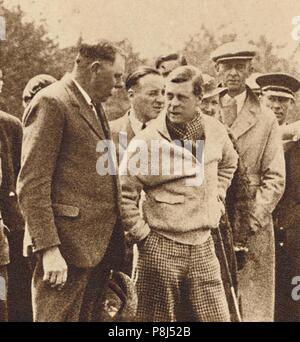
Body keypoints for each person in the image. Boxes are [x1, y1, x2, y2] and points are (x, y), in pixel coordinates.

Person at [17, 39, 126, 322]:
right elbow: (31, 185)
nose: (119, 86)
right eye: (116, 76)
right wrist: (49, 249)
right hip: (64, 253)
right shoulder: (52, 102)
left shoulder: (92, 105)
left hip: (94, 251)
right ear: (94, 68)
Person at [120, 65, 238, 322]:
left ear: (199, 99)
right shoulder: (146, 141)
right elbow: (124, 194)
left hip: (204, 244)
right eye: (168, 95)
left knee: (216, 317)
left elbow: (230, 163)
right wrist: (144, 236)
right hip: (160, 244)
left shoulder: (216, 131)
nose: (171, 103)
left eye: (181, 97)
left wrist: (217, 195)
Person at [211, 41, 285, 321]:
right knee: (212, 297)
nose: (232, 73)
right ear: (216, 69)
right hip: (211, 214)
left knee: (253, 302)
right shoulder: (204, 110)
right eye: (226, 66)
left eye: (239, 67)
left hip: (252, 218)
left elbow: (275, 177)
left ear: (249, 69)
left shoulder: (266, 118)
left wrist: (252, 218)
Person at [256, 72, 300, 321]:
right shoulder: (249, 139)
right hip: (258, 232)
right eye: (271, 99)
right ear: (261, 99)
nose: (276, 106)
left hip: (293, 238)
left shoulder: (297, 142)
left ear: (291, 105)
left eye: (283, 101)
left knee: (292, 305)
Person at [110, 66, 165, 163]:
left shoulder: (171, 132)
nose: (161, 100)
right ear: (131, 95)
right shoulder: (109, 132)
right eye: (152, 94)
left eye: (163, 93)